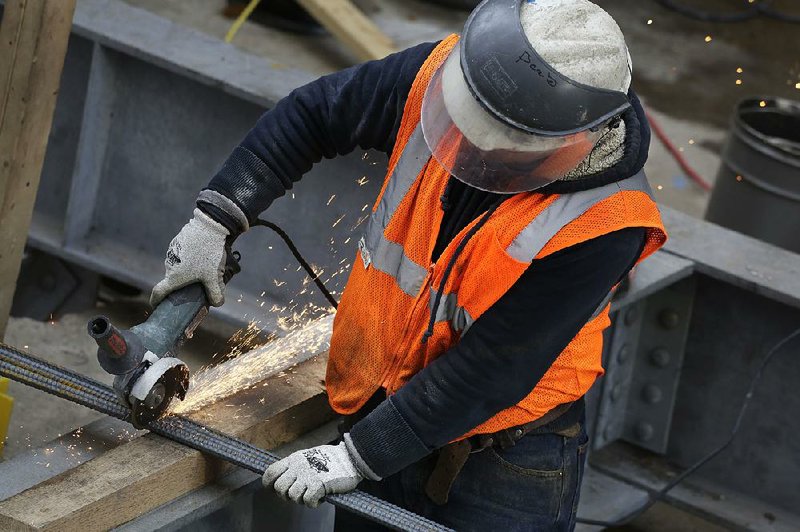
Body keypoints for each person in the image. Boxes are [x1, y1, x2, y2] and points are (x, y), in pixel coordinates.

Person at [150, 0, 667, 529]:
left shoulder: (606, 223)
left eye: (499, 149)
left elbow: (491, 370)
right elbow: (315, 114)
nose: (469, 150)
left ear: (571, 143)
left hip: (505, 463)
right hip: (378, 408)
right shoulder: (443, 74)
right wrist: (213, 221)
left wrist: (357, 457)